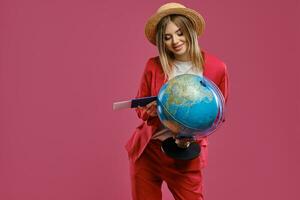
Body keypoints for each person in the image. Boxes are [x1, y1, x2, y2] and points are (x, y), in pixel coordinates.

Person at [125, 3, 229, 200]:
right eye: (167, 37)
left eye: (180, 33)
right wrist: (150, 110)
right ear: (161, 42)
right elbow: (140, 109)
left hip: (186, 155)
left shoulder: (217, 68)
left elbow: (217, 114)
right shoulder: (153, 65)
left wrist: (191, 136)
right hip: (149, 151)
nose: (175, 41)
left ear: (190, 31)